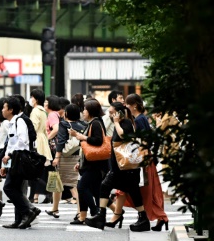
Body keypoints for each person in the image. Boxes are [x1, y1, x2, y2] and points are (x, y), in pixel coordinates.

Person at [85, 102, 150, 231]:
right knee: (125, 190)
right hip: (120, 168)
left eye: (111, 112)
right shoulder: (120, 123)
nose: (109, 115)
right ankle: (102, 216)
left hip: (125, 169)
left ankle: (142, 219)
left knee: (129, 190)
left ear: (119, 113)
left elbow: (123, 136)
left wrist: (116, 122)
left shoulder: (125, 123)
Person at [118, 94, 169, 231]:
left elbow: (143, 141)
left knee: (146, 191)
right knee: (149, 190)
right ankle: (157, 218)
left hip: (143, 158)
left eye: (128, 105)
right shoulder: (141, 119)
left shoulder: (139, 120)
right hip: (146, 157)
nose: (126, 107)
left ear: (134, 105)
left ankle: (158, 217)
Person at [0, 96, 38, 229]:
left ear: (11, 109)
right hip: (14, 160)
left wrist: (9, 156)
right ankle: (19, 219)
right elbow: (11, 144)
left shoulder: (19, 121)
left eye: (4, 107)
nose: (2, 110)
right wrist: (5, 164)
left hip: (19, 159)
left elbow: (22, 141)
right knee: (16, 189)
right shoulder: (13, 121)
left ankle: (27, 212)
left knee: (9, 188)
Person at [69, 99, 109, 224]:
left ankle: (94, 212)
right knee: (96, 191)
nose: (83, 112)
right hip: (90, 162)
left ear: (90, 111)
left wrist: (82, 137)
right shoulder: (92, 123)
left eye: (85, 109)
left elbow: (98, 141)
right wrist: (80, 162)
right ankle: (89, 216)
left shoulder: (96, 123)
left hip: (95, 164)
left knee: (82, 187)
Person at [50, 104, 87, 219]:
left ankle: (57, 210)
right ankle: (75, 211)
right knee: (73, 183)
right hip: (79, 156)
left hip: (65, 157)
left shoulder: (64, 124)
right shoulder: (83, 125)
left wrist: (56, 157)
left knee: (61, 183)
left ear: (67, 113)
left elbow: (61, 142)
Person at [28, 89, 52, 203]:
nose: (31, 99)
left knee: (34, 171)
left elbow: (33, 128)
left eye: (32, 97)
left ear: (35, 99)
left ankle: (47, 191)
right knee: (39, 171)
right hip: (43, 140)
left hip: (37, 141)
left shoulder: (35, 111)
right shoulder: (43, 111)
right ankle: (35, 196)